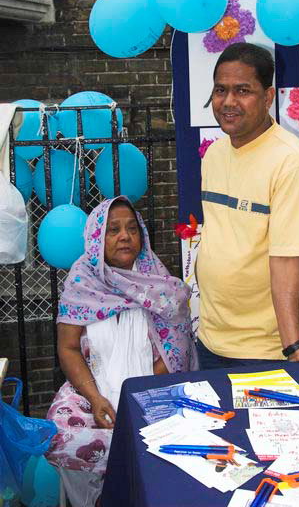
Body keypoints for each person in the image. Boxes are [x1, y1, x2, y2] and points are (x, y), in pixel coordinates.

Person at [196, 42, 299, 368]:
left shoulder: (292, 164)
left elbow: (287, 259)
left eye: (243, 90)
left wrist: (293, 346)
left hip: (263, 351)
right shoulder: (215, 154)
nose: (228, 102)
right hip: (209, 337)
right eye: (221, 90)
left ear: (268, 97)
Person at [46, 196, 197, 507]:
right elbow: (68, 347)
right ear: (96, 239)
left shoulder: (158, 282)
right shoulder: (82, 283)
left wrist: (136, 399)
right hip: (94, 390)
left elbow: (176, 352)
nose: (124, 236)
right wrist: (96, 398)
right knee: (63, 437)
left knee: (178, 441)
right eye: (113, 230)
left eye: (131, 229)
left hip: (147, 390)